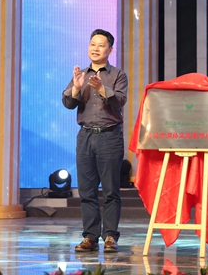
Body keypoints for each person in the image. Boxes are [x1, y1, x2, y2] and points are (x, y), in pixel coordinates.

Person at [62, 29, 128, 253]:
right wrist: (76, 87)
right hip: (85, 136)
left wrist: (101, 89)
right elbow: (68, 103)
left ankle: (110, 236)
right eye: (93, 44)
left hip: (109, 136)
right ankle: (90, 237)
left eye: (101, 45)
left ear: (110, 49)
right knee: (87, 191)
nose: (95, 48)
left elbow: (120, 100)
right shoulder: (80, 74)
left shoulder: (118, 75)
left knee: (110, 191)